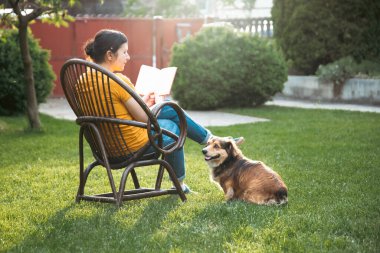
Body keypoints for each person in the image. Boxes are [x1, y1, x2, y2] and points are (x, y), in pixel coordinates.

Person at [83, 29, 243, 193]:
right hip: (131, 147)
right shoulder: (117, 81)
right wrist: (157, 102)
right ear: (110, 55)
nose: (128, 57)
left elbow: (116, 112)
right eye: (124, 52)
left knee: (167, 110)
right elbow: (143, 118)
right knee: (174, 121)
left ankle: (209, 140)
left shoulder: (83, 80)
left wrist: (146, 101)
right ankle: (181, 182)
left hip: (105, 149)